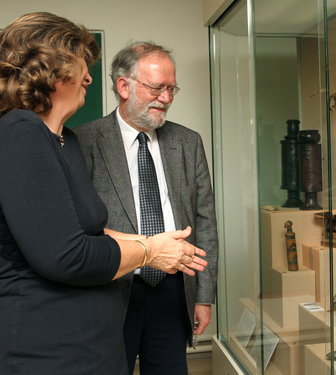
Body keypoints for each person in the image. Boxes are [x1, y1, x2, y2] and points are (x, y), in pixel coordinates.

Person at [0, 13, 207, 375]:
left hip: (89, 345)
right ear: (54, 69)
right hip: (47, 349)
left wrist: (158, 245)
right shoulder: (21, 131)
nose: (89, 78)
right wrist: (151, 250)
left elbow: (83, 232)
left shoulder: (62, 140)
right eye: (83, 64)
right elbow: (67, 254)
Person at [74, 42, 218, 374]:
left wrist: (204, 296)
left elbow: (205, 221)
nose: (166, 98)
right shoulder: (84, 141)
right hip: (109, 290)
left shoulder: (188, 142)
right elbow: (79, 227)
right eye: (156, 87)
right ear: (124, 86)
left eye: (171, 88)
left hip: (172, 289)